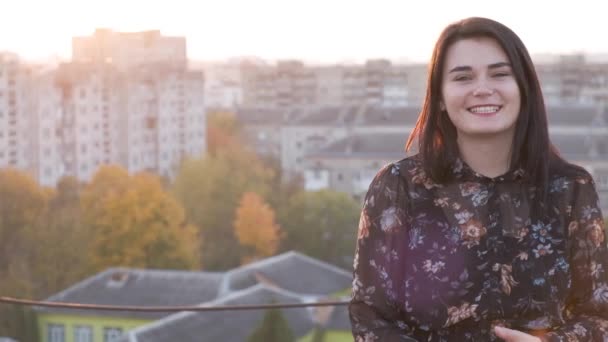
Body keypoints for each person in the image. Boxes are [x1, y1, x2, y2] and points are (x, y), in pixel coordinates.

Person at [349, 17, 608, 341]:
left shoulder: (570, 189)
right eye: (462, 77)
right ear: (440, 97)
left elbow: (598, 314)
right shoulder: (399, 187)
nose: (482, 88)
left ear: (524, 89)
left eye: (500, 74)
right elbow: (371, 316)